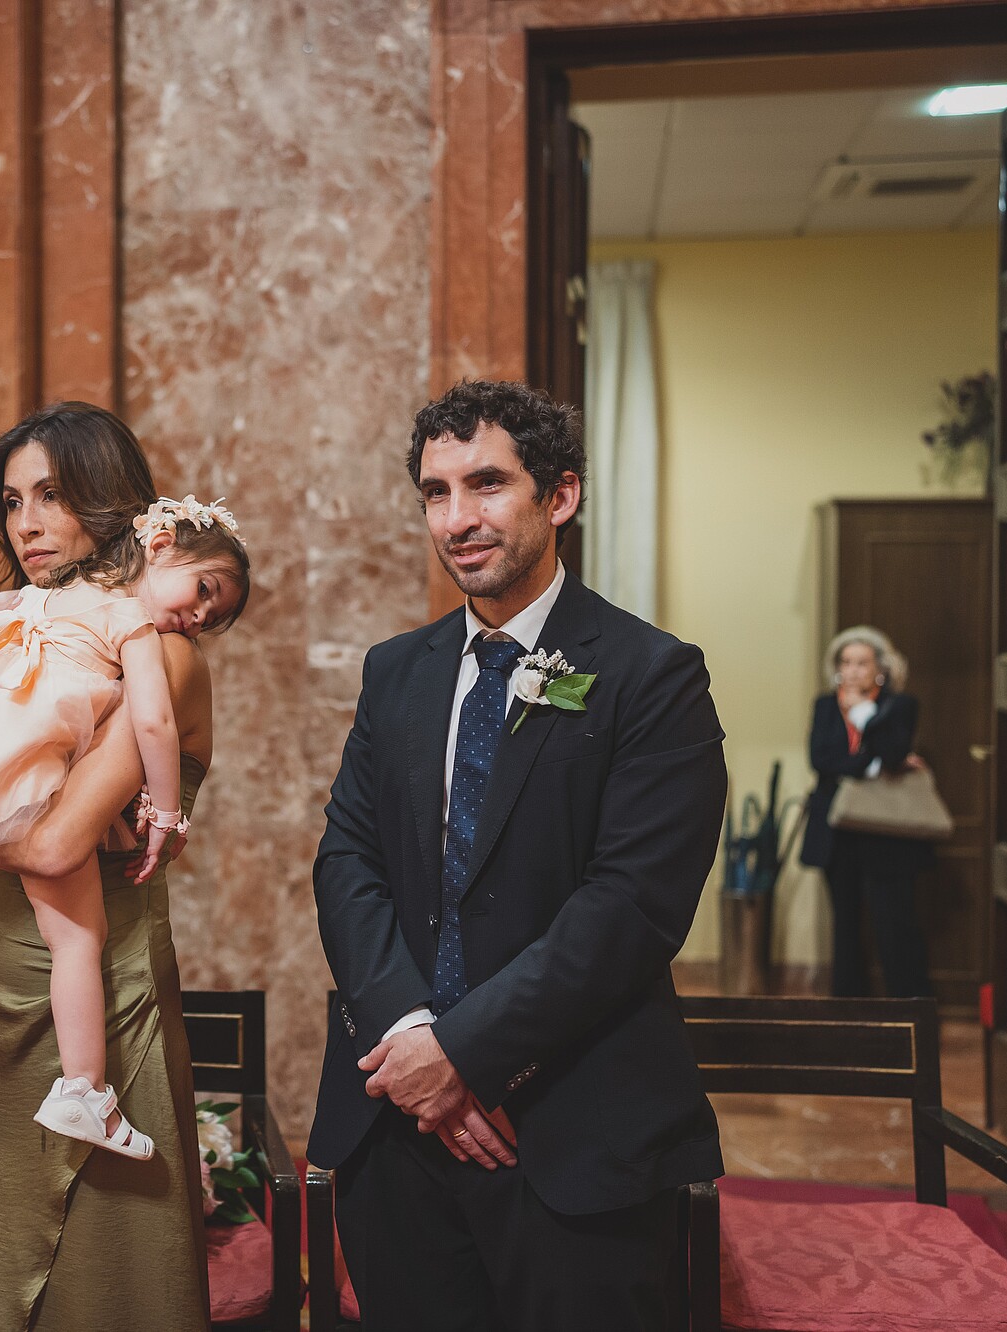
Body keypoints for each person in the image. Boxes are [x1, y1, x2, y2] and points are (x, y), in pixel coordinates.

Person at [310, 379, 727, 1330]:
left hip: (574, 1133)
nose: (458, 517)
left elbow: (630, 908)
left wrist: (466, 1055)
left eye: (488, 484)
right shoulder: (395, 672)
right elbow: (348, 865)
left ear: (561, 496)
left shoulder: (651, 675)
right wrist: (419, 1046)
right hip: (398, 1128)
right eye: (436, 491)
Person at [0, 402, 216, 1330]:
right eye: (12, 502)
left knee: (105, 1285)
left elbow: (48, 844)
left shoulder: (160, 653)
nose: (28, 523)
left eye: (52, 495)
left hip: (96, 1002)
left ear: (111, 500)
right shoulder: (29, 633)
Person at [0, 492, 248, 1158]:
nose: (200, 615)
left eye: (214, 616)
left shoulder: (44, 597)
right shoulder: (133, 626)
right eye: (204, 589)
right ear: (157, 545)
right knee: (76, 937)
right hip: (34, 781)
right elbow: (153, 724)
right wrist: (166, 808)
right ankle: (83, 1092)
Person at [800, 626, 934, 998]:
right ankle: (849, 1011)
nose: (852, 670)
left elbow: (891, 752)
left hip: (885, 833)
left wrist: (862, 714)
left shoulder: (900, 705)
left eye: (862, 662)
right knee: (845, 925)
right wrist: (869, 763)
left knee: (895, 924)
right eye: (845, 662)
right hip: (837, 831)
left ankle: (910, 1011)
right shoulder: (825, 705)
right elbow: (821, 760)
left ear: (881, 669)